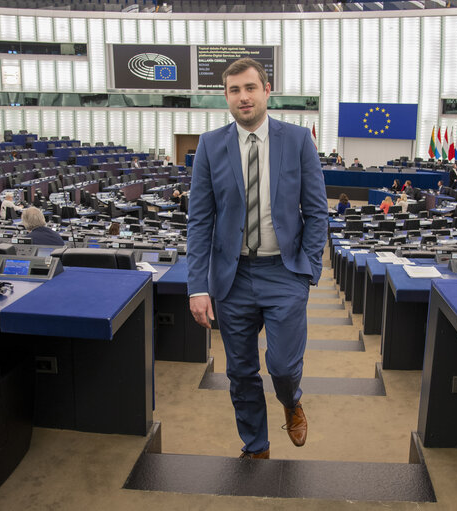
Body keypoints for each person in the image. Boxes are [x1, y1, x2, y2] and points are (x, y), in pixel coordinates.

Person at [186, 58, 327, 460]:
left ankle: (291, 400)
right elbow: (200, 221)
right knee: (241, 372)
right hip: (231, 278)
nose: (243, 97)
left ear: (267, 90)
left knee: (281, 366)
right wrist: (198, 286)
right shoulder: (211, 145)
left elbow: (317, 212)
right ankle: (256, 446)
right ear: (226, 97)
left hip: (284, 272)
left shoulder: (298, 140)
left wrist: (308, 272)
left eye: (250, 88)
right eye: (234, 90)